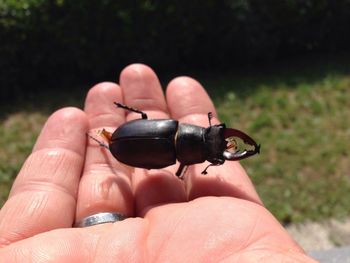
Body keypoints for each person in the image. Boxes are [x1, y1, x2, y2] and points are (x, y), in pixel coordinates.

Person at [0, 64, 316, 262]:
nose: (213, 139)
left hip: (132, 143)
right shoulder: (173, 152)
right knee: (146, 122)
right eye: (210, 136)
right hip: (133, 147)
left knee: (145, 118)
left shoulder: (172, 128)